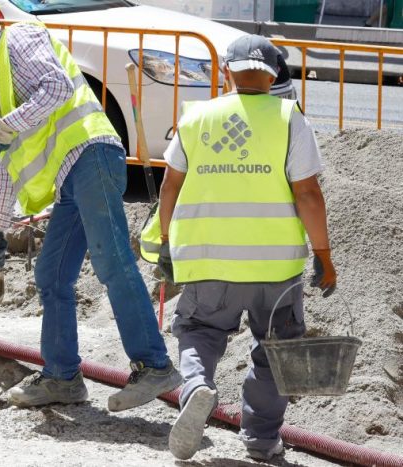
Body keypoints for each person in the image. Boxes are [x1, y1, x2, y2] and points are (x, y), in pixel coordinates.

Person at [0, 2, 180, 410]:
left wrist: (2, 129)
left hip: (92, 155)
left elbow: (58, 87)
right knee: (51, 274)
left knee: (112, 261)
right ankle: (62, 379)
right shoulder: (2, 86)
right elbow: (7, 166)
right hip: (72, 176)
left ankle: (155, 365)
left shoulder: (19, 37)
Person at [153, 35, 337, 461]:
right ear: (276, 75)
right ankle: (260, 440)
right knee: (277, 351)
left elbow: (170, 185)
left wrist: (165, 242)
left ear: (225, 71)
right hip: (276, 267)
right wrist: (324, 256)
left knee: (200, 332)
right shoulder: (290, 117)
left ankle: (197, 387)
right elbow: (308, 193)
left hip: (208, 259)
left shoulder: (197, 117)